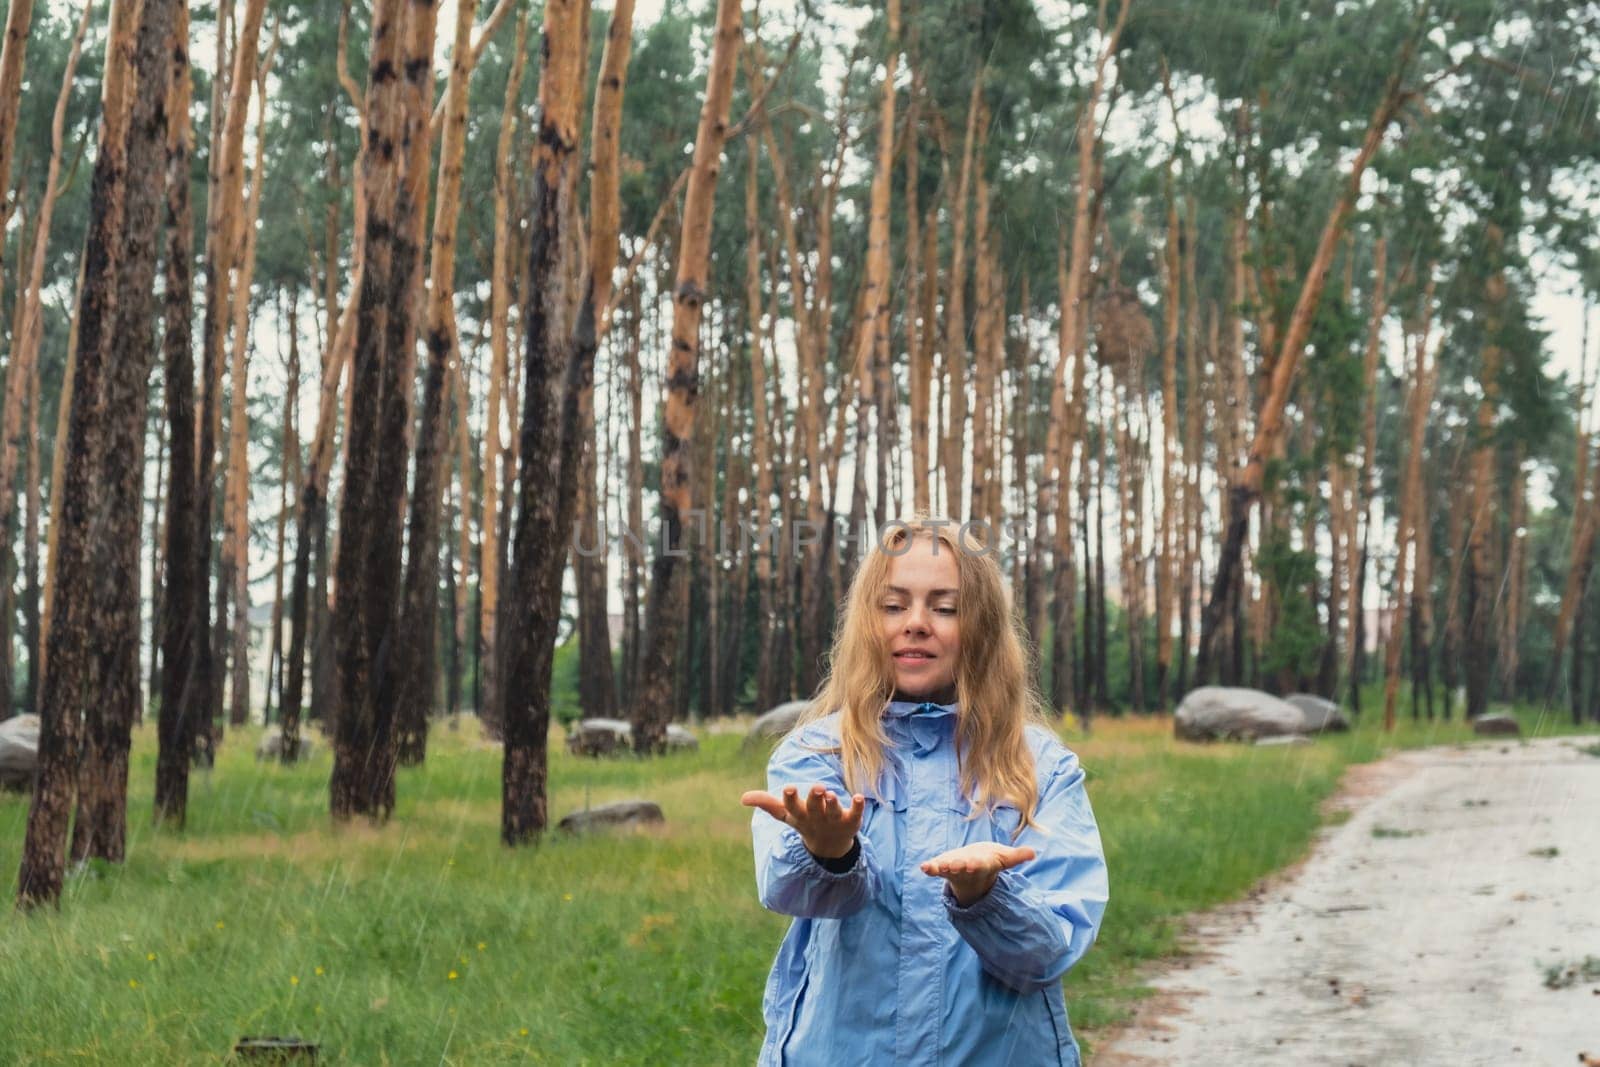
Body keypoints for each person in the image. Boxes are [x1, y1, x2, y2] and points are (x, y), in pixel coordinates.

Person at [741, 518, 1110, 1066]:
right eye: (893, 605)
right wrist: (829, 854)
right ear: (867, 621)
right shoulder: (818, 754)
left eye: (945, 607)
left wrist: (985, 896)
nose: (916, 623)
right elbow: (787, 890)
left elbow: (1049, 950)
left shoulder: (1042, 768)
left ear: (981, 626)